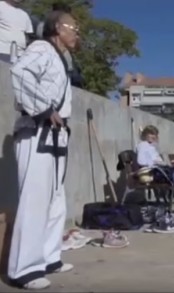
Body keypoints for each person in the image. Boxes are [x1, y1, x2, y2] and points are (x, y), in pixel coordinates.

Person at [7, 10, 77, 290]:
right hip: (37, 130)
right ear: (57, 27)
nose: (77, 33)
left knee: (55, 200)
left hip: (56, 135)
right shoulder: (40, 47)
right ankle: (23, 270)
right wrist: (44, 108)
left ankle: (49, 257)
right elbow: (20, 71)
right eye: (74, 27)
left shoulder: (62, 59)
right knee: (34, 201)